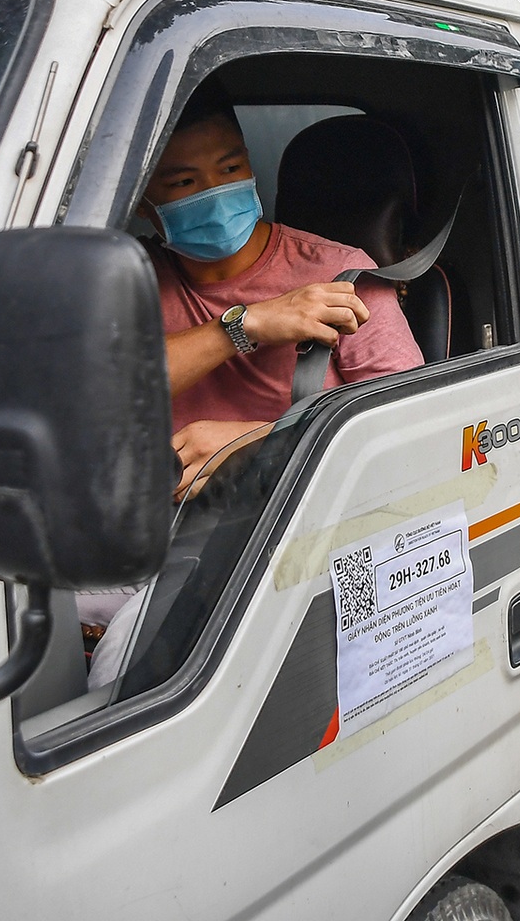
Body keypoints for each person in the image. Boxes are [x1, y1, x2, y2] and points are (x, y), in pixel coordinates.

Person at [75, 79, 426, 687]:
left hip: (280, 528)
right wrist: (242, 326)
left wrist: (255, 442)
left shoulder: (339, 274)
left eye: (230, 168)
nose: (214, 192)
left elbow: (410, 428)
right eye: (184, 182)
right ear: (144, 203)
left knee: (125, 670)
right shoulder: (128, 281)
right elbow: (91, 396)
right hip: (149, 523)